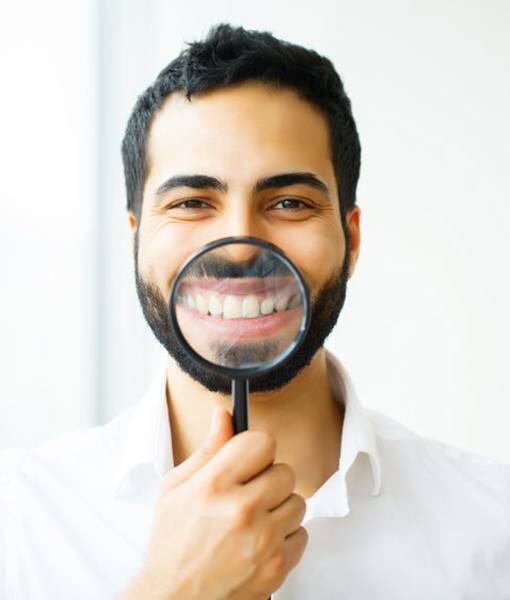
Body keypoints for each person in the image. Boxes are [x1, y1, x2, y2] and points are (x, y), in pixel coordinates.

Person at [1, 23, 509, 600]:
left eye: (289, 202)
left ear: (352, 239)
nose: (241, 243)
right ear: (136, 238)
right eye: (192, 202)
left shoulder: (495, 531)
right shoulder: (17, 522)